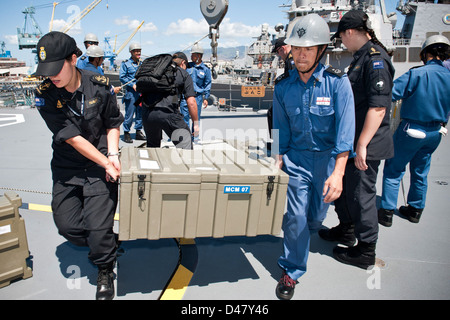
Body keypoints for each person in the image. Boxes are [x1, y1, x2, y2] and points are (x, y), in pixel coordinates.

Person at [33, 31, 124, 300]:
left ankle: (105, 267)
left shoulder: (99, 84)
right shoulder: (45, 95)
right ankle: (106, 241)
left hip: (99, 167)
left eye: (56, 68)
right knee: (68, 228)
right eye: (46, 70)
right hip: (69, 167)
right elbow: (72, 138)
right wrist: (107, 161)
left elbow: (113, 123)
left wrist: (115, 155)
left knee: (97, 229)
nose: (51, 76)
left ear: (74, 59)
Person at [272, 14, 355, 300]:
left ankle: (308, 231)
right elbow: (278, 128)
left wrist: (339, 172)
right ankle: (292, 270)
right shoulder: (283, 87)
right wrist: (276, 158)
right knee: (295, 216)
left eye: (308, 48)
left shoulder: (337, 84)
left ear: (321, 50)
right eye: (297, 48)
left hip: (329, 161)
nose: (301, 54)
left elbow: (346, 131)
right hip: (297, 160)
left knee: (315, 217)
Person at [318, 10, 395, 269]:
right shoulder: (360, 58)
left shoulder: (375, 60)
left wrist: (361, 144)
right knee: (348, 192)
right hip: (353, 141)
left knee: (362, 195)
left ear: (349, 32)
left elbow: (378, 107)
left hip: (367, 144)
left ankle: (365, 250)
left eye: (341, 36)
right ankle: (346, 230)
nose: (342, 42)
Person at [378, 35, 450, 226]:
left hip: (411, 129)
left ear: (425, 53)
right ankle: (415, 210)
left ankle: (386, 212)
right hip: (436, 132)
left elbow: (390, 94)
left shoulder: (417, 74)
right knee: (421, 170)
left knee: (394, 169)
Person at [141, 52, 199, 150]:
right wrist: (196, 124)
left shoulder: (156, 71)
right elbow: (191, 102)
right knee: (186, 145)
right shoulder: (183, 73)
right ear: (183, 62)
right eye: (186, 66)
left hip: (148, 114)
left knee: (152, 148)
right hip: (168, 114)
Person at [267, 37, 295, 153]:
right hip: (291, 96)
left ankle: (278, 143)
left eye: (278, 52)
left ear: (282, 49)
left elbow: (292, 80)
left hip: (292, 97)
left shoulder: (291, 60)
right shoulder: (292, 58)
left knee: (273, 114)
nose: (279, 55)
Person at [180, 44, 211, 139]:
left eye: (193, 55)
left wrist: (206, 98)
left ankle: (195, 138)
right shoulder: (188, 66)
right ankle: (186, 137)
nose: (191, 56)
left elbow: (207, 84)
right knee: (184, 118)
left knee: (196, 119)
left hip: (197, 97)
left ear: (198, 56)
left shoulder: (205, 70)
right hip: (185, 96)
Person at [119, 42, 145, 143]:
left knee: (140, 112)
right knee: (130, 113)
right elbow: (122, 77)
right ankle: (126, 132)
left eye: (139, 50)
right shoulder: (126, 64)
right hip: (131, 94)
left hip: (140, 93)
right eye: (136, 51)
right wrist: (132, 85)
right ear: (131, 52)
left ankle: (138, 131)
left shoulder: (142, 64)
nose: (138, 52)